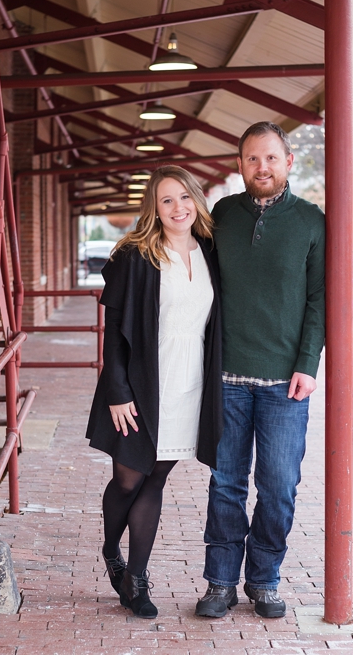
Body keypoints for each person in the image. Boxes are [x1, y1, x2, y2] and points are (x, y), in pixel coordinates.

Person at [195, 122, 325, 620]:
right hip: (227, 378)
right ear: (240, 165)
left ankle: (264, 579)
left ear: (288, 161)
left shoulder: (312, 221)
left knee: (279, 488)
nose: (261, 167)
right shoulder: (223, 214)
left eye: (270, 158)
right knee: (225, 484)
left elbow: (318, 300)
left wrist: (308, 364)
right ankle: (220, 582)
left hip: (284, 386)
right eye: (252, 159)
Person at [86, 166, 223, 619]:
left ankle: (136, 578)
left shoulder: (210, 251)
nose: (178, 207)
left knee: (156, 477)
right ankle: (111, 552)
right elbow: (115, 334)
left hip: (189, 383)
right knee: (128, 478)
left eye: (184, 197)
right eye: (167, 200)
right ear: (154, 208)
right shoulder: (135, 255)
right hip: (141, 383)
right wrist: (117, 391)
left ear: (196, 199)